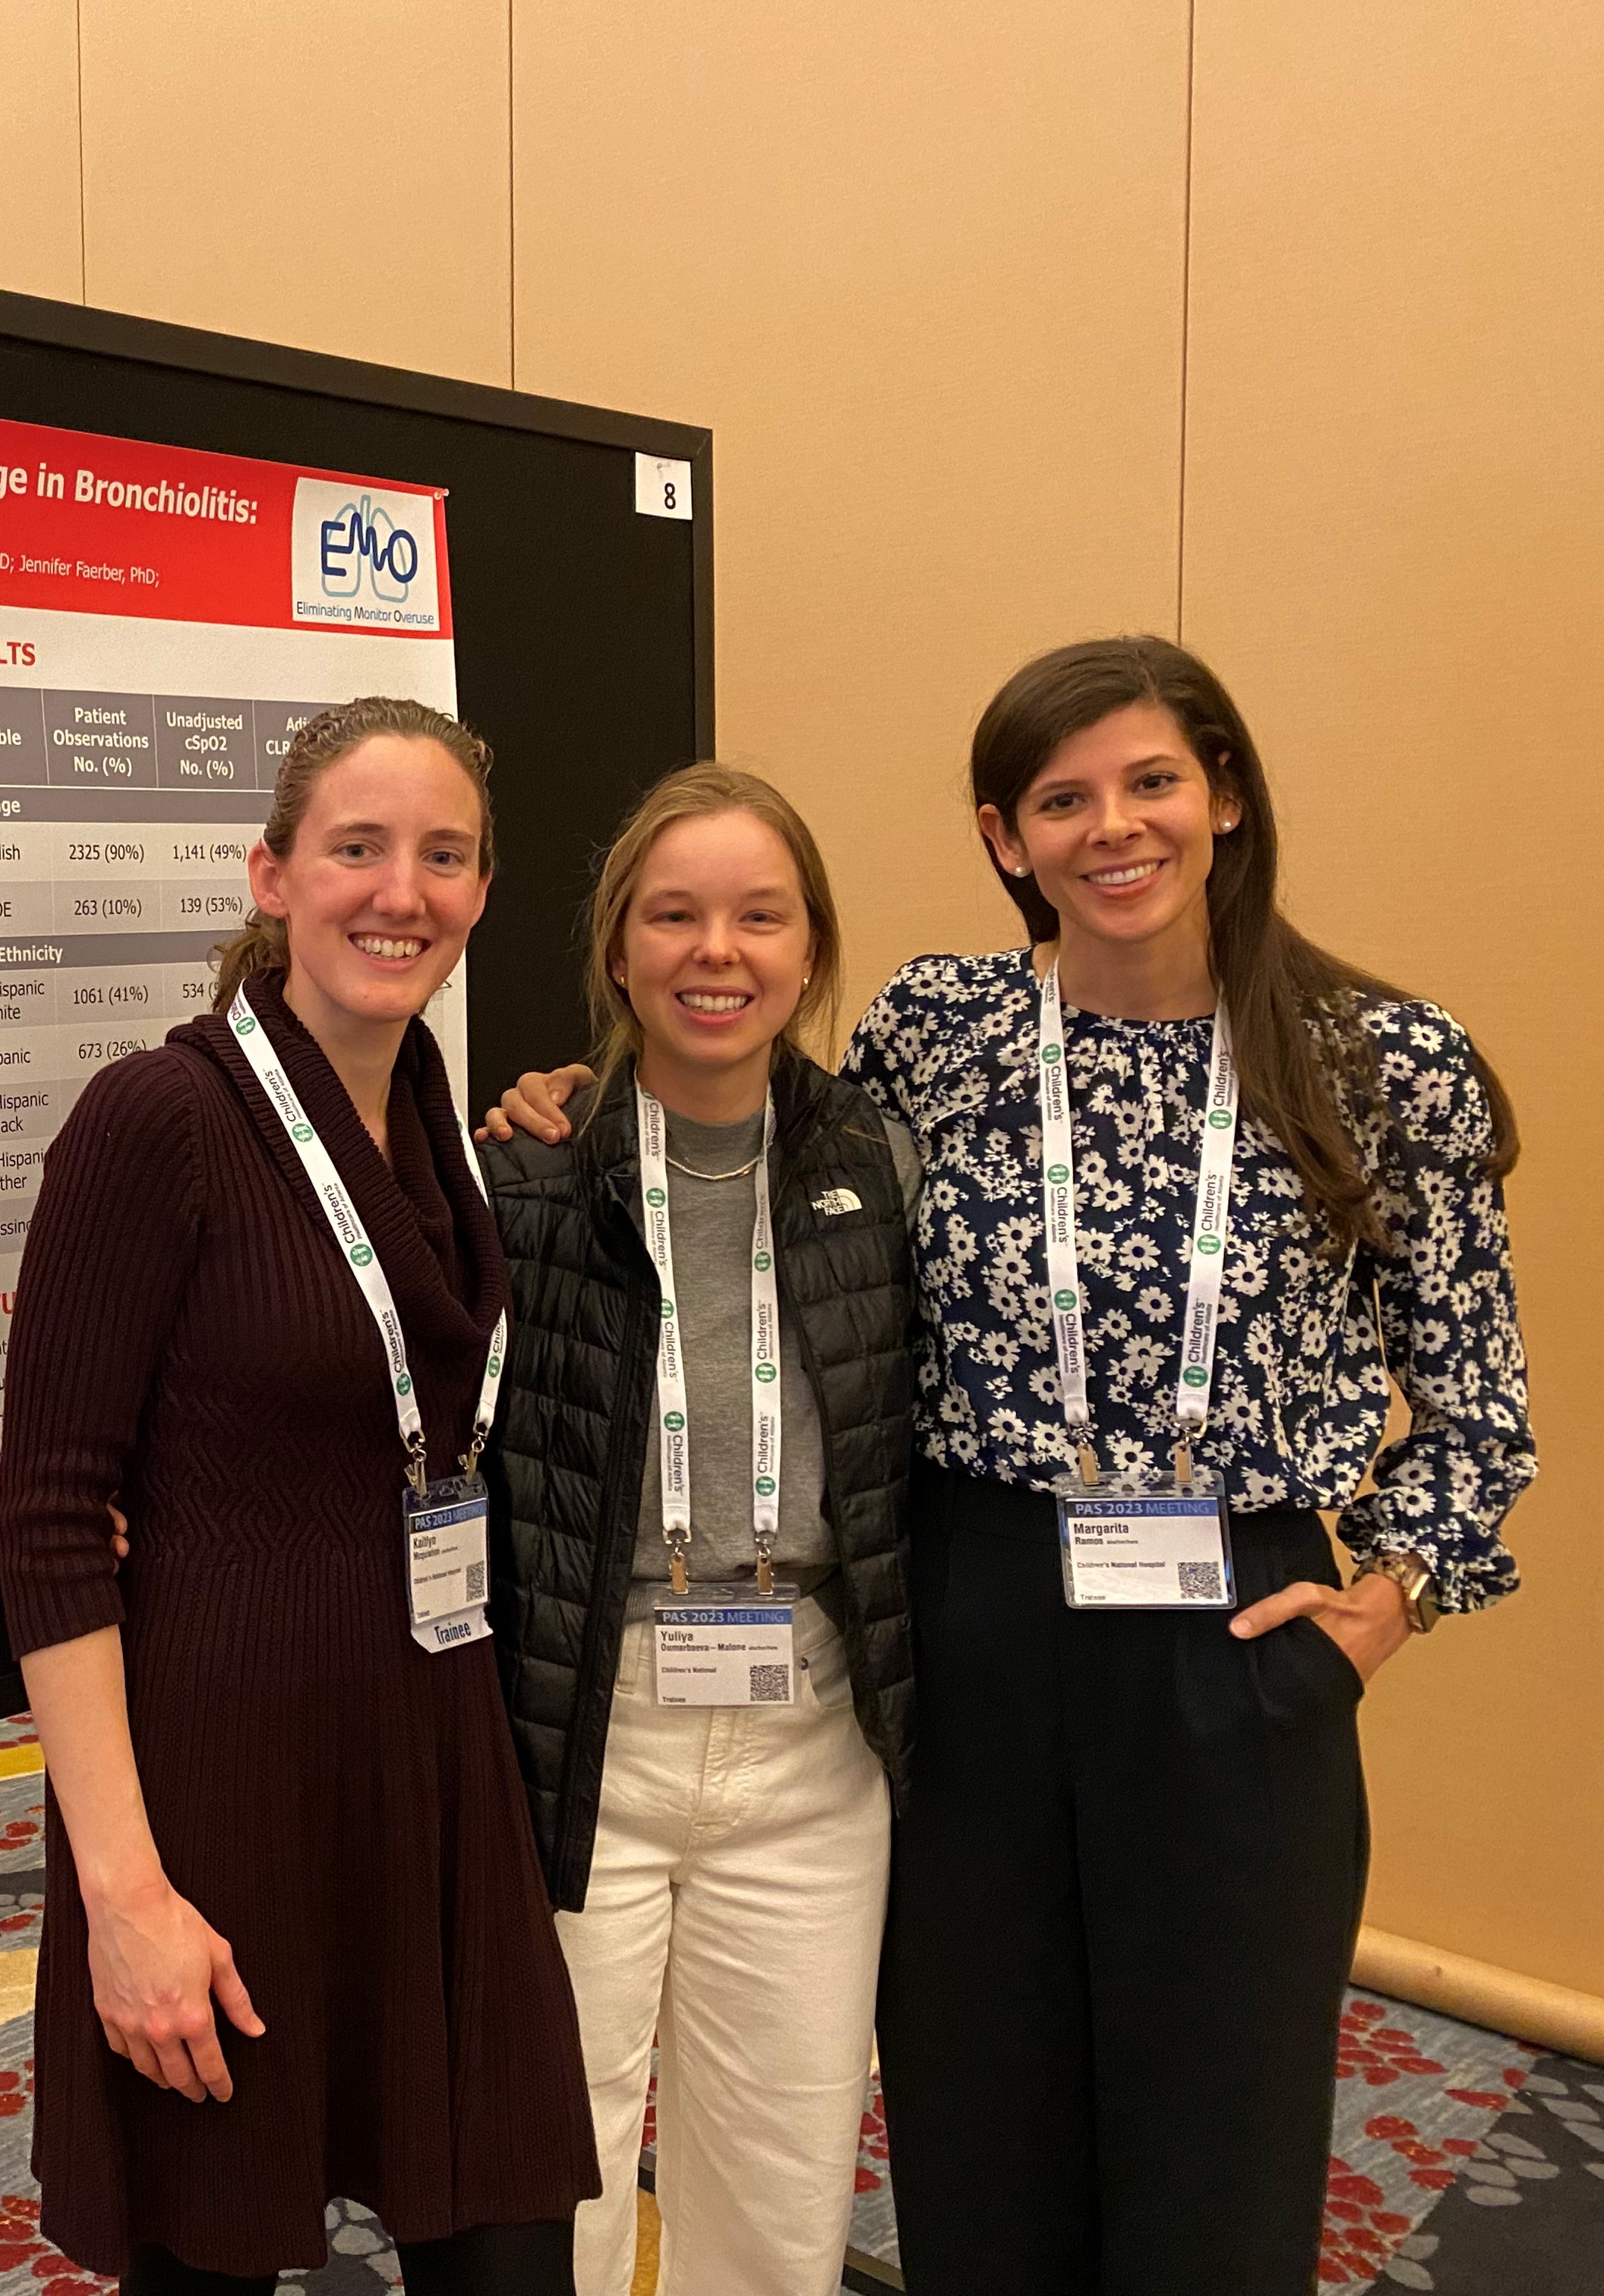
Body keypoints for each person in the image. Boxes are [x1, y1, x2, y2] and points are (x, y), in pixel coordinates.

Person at [492, 636, 1536, 2294]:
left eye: (1151, 783)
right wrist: (569, 1098)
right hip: (971, 1624)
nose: (1110, 830)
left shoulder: (1374, 1059)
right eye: (1064, 799)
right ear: (1006, 835)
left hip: (1236, 1639)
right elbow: (746, 1135)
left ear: (1229, 798)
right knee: (978, 2121)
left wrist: (1379, 1610)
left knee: (1221, 2132)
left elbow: (1480, 1411)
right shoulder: (947, 1027)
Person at [0, 696, 593, 2296]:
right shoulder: (158, 1119)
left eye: (443, 856)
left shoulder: (440, 1133)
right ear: (271, 875)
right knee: (219, 2254)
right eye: (357, 849)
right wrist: (124, 1899)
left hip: (434, 1769)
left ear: (479, 891)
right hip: (223, 1791)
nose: (402, 891)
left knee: (512, 2230)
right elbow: (48, 1522)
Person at [473, 764, 918, 2296]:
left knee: (784, 2168)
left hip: (808, 1738)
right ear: (617, 950)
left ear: (809, 952)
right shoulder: (523, 1172)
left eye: (757, 916)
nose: (714, 951)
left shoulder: (883, 1163)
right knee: (556, 2164)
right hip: (591, 1731)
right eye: (674, 914)